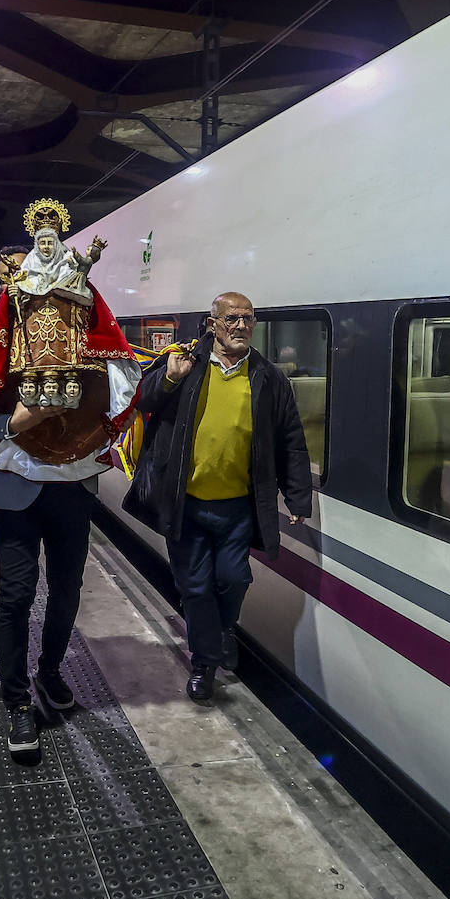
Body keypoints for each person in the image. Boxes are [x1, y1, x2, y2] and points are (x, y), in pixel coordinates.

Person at [0, 213, 139, 760]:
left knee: (67, 589)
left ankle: (51, 671)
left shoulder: (92, 346)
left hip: (72, 486)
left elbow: (120, 385)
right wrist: (17, 423)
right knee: (15, 597)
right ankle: (16, 704)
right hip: (16, 485)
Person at [124, 292, 312, 702]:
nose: (241, 326)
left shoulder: (268, 377)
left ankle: (223, 628)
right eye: (232, 319)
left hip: (237, 505)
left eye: (248, 319)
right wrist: (169, 377)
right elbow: (142, 400)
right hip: (186, 502)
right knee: (194, 586)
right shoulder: (185, 363)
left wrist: (298, 497)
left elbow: (290, 440)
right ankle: (205, 663)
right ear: (212, 324)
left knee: (233, 578)